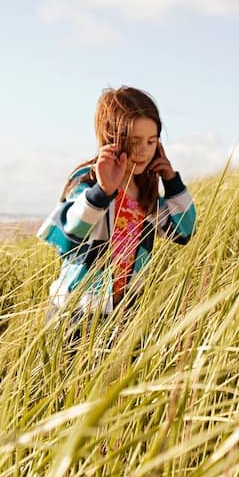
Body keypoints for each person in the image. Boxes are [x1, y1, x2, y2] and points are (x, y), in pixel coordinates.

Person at [38, 87, 197, 332]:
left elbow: (183, 232)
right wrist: (102, 192)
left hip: (125, 314)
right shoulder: (89, 180)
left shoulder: (146, 192)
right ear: (112, 138)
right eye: (135, 141)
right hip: (77, 312)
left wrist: (171, 180)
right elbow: (70, 233)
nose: (144, 149)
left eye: (151, 141)